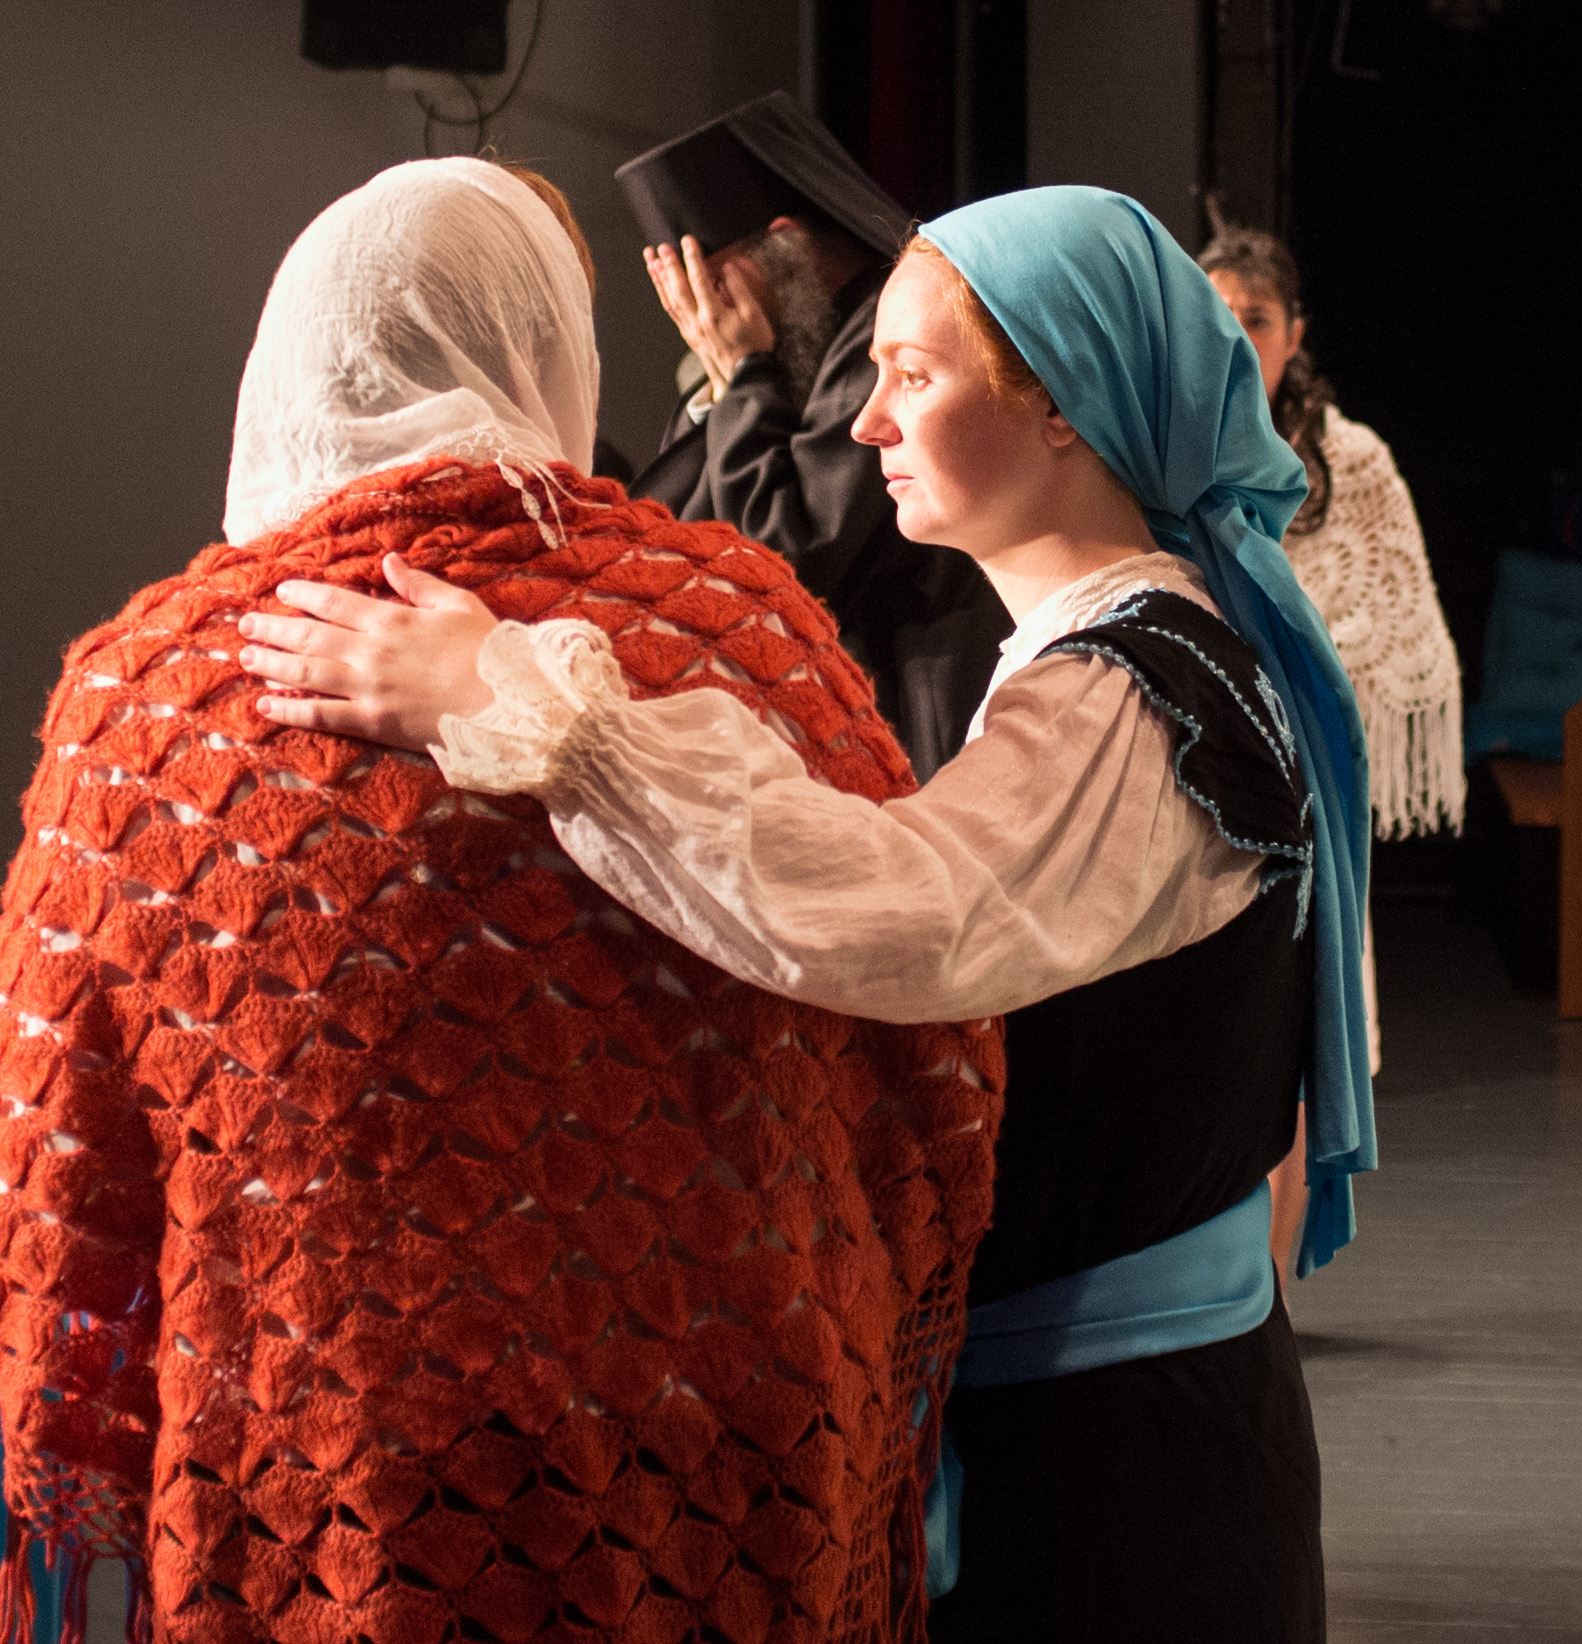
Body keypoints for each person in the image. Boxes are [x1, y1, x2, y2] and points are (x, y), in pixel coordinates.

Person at [240, 185, 1377, 1643]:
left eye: (914, 374)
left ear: (1061, 404)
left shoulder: (1136, 693)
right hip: (1105, 1430)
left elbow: (901, 911)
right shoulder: (1120, 650)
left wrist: (514, 701)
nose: (870, 421)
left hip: (1120, 1475)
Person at [0, 157, 1007, 1644]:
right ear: (550, 347)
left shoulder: (143, 705)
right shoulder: (741, 629)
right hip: (719, 1445)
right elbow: (925, 1033)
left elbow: (59, 1140)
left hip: (324, 1473)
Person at [1200, 224, 1464, 1277]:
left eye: (1257, 319)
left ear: (1294, 333)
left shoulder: (1350, 460)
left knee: (1305, 1044)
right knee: (1218, 1044)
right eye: (1218, 315)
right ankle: (1220, 1284)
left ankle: (1268, 1290)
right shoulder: (1173, 443)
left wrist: (1293, 668)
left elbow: (1394, 619)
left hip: (1307, 781)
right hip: (1205, 770)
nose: (1236, 336)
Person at [618, 91, 1012, 781]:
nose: (699, 313)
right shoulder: (780, 350)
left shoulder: (885, 329)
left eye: (709, 282)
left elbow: (788, 556)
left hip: (923, 681)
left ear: (786, 243)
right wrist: (729, 383)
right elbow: (679, 545)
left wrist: (746, 378)